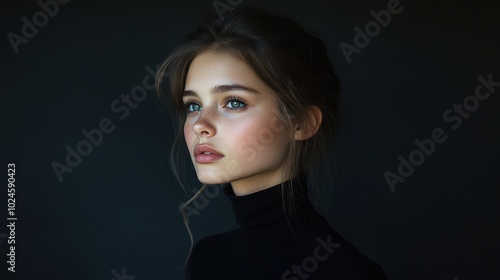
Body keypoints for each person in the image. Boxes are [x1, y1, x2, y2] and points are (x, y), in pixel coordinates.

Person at [155, 5, 389, 280]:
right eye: (193, 105)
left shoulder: (346, 273)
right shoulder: (208, 258)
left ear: (302, 122)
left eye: (233, 102)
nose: (200, 125)